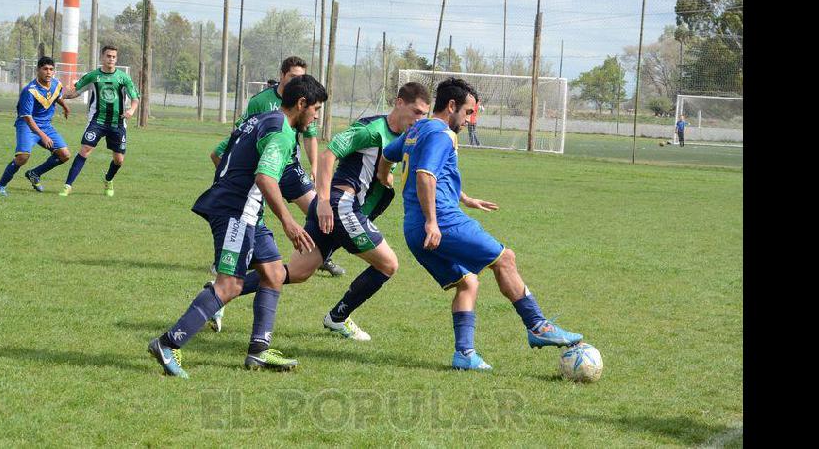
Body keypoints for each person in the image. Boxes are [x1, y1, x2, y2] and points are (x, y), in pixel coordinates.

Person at [380, 77, 584, 371]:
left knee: (467, 282)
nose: (468, 120)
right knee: (505, 259)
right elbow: (425, 175)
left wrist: (461, 197)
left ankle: (464, 354)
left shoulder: (417, 130)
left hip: (413, 229)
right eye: (467, 112)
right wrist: (434, 222)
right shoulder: (441, 134)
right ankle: (538, 326)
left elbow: (389, 156)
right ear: (451, 106)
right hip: (442, 224)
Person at [209, 82, 431, 340]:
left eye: (423, 115)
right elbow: (329, 156)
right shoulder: (371, 130)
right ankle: (338, 317)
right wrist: (323, 200)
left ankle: (219, 292)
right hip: (340, 207)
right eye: (416, 111)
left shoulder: (404, 139)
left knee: (294, 273)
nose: (419, 119)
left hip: (340, 212)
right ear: (399, 102)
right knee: (389, 263)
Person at [146, 74, 327, 379]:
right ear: (301, 103)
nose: (316, 116)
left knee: (273, 274)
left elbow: (223, 154)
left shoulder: (261, 118)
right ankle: (167, 343)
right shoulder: (281, 133)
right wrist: (289, 221)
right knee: (230, 286)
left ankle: (258, 351)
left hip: (249, 213)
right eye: (316, 109)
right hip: (236, 214)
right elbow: (265, 178)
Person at [206, 58, 345, 304]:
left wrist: (312, 166)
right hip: (265, 168)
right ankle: (223, 284)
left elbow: (310, 137)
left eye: (301, 76)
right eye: (292, 76)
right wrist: (243, 185)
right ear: (282, 76)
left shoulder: (307, 106)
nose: (297, 81)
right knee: (259, 247)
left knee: (325, 215)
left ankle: (319, 255)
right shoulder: (261, 103)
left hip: (290, 169)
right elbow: (236, 137)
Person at [59, 45, 140, 197]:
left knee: (119, 160)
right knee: (85, 150)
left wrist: (131, 110)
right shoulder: (93, 76)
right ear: (102, 57)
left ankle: (108, 180)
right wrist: (59, 95)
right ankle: (67, 186)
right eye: (108, 56)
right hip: (97, 121)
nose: (111, 59)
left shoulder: (123, 78)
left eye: (114, 57)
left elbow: (135, 98)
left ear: (116, 59)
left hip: (118, 123)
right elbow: (75, 92)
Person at [0, 56, 72, 196]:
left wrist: (65, 107)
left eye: (51, 69)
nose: (48, 72)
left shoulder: (56, 83)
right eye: (45, 69)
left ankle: (35, 173)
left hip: (46, 125)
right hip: (27, 125)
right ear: (38, 70)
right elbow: (27, 117)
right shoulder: (30, 90)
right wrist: (42, 135)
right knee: (23, 157)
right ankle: (0, 187)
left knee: (65, 155)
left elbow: (57, 96)